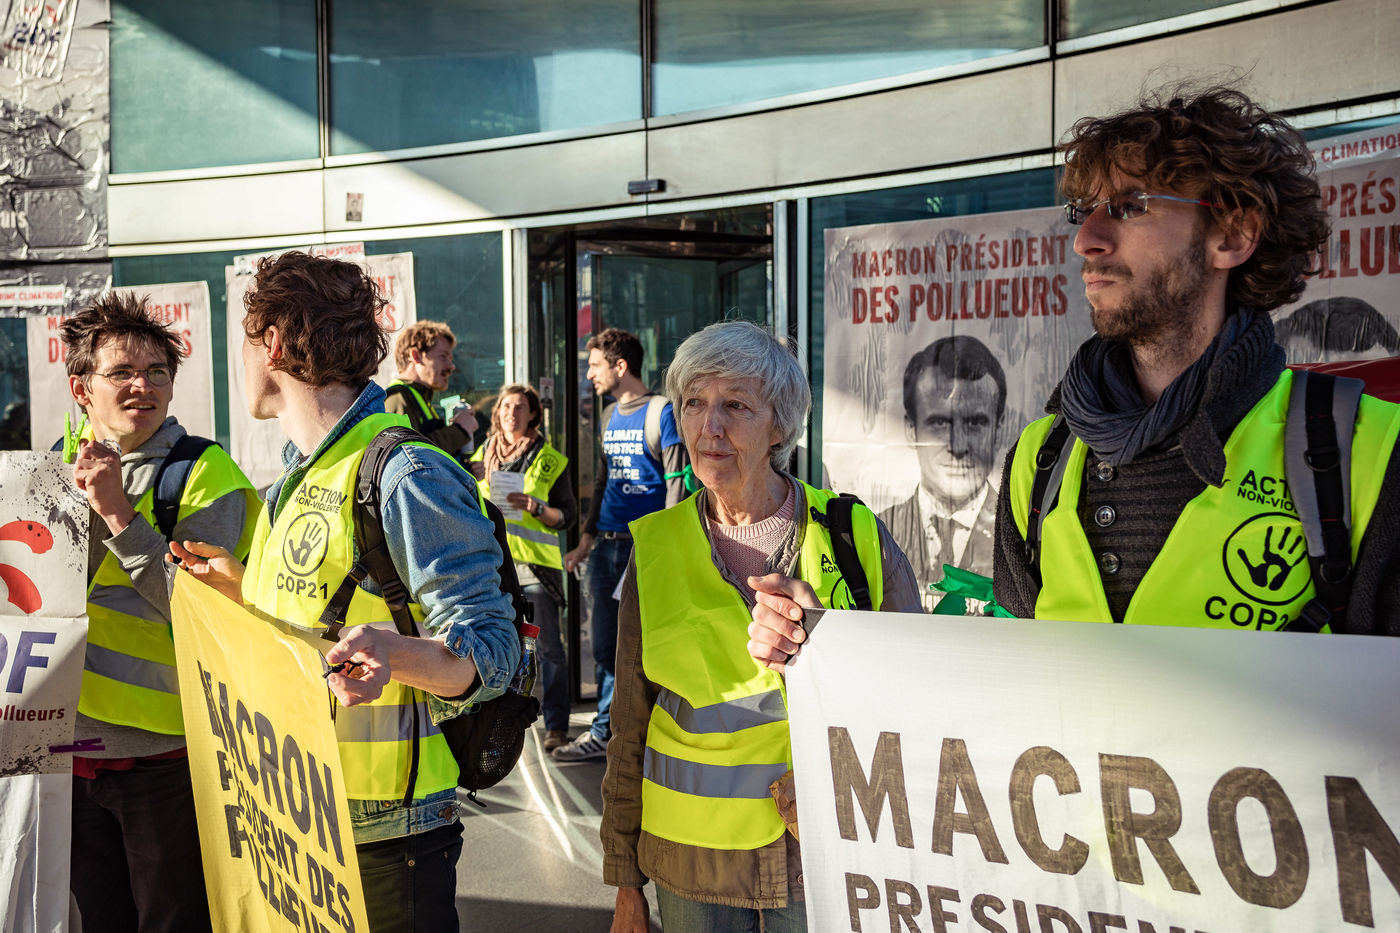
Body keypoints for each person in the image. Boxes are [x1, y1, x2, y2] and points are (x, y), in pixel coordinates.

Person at [172, 252, 519, 932]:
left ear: (273, 342)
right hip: (299, 818)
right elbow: (323, 623)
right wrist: (243, 588)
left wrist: (397, 656)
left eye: (246, 340)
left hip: (386, 835)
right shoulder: (297, 477)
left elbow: (494, 650)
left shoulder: (404, 470)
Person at [987, 86, 1400, 629]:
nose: (1085, 240)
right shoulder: (1039, 458)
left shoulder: (1368, 451)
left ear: (1232, 235)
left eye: (1130, 206)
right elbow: (1018, 672)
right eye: (1083, 212)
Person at [601, 321, 921, 932]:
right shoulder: (656, 547)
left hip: (823, 853)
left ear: (779, 426)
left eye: (736, 406)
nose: (709, 427)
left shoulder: (851, 535)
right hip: (692, 868)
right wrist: (625, 881)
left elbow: (917, 686)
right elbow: (629, 725)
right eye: (693, 403)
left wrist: (826, 642)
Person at [61, 293, 257, 933]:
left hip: (168, 753)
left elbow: (204, 611)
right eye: (121, 372)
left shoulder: (204, 474)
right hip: (68, 748)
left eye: (157, 373)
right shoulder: (53, 468)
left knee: (173, 922)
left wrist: (119, 514)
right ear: (82, 388)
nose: (142, 386)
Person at [554, 327, 689, 762]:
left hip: (642, 547)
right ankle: (609, 731)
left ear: (621, 365)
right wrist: (585, 540)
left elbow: (676, 486)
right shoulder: (610, 415)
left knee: (639, 645)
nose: (589, 375)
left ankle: (625, 734)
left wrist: (662, 550)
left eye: (595, 365)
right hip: (605, 549)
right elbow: (603, 481)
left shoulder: (662, 413)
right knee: (604, 645)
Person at [469, 383, 578, 752]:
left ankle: (556, 726)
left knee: (549, 651)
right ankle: (495, 724)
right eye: (505, 407)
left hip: (534, 570)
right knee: (496, 646)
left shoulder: (549, 460)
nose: (510, 414)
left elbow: (567, 516)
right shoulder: (481, 455)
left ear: (533, 414)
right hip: (492, 567)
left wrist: (536, 507)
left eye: (519, 407)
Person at [877, 335, 1005, 606]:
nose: (958, 446)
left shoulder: (1024, 538)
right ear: (911, 430)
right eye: (939, 423)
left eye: (975, 423)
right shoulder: (875, 533)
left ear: (998, 429)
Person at [385, 319, 479, 454]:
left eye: (451, 359)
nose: (451, 366)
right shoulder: (398, 398)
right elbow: (408, 454)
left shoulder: (418, 398)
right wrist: (459, 430)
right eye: (443, 357)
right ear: (416, 356)